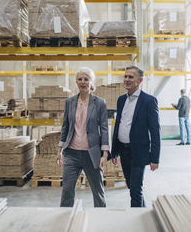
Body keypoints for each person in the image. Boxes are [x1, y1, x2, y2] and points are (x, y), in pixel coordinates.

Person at [56, 67, 109, 207]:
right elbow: (65, 126)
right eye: (80, 79)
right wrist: (60, 149)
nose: (83, 82)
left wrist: (105, 153)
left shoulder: (99, 103)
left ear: (91, 82)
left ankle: (101, 218)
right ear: (76, 82)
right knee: (67, 190)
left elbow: (104, 129)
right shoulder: (70, 102)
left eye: (86, 79)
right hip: (71, 153)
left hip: (91, 154)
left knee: (98, 191)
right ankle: (65, 218)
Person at [111, 66, 161, 207]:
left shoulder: (149, 101)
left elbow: (155, 131)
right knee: (131, 187)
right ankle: (142, 213)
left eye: (130, 77)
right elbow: (119, 125)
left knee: (135, 189)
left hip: (138, 152)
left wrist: (155, 158)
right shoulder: (121, 100)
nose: (126, 79)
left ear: (139, 81)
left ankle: (137, 222)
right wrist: (115, 151)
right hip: (123, 151)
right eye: (125, 76)